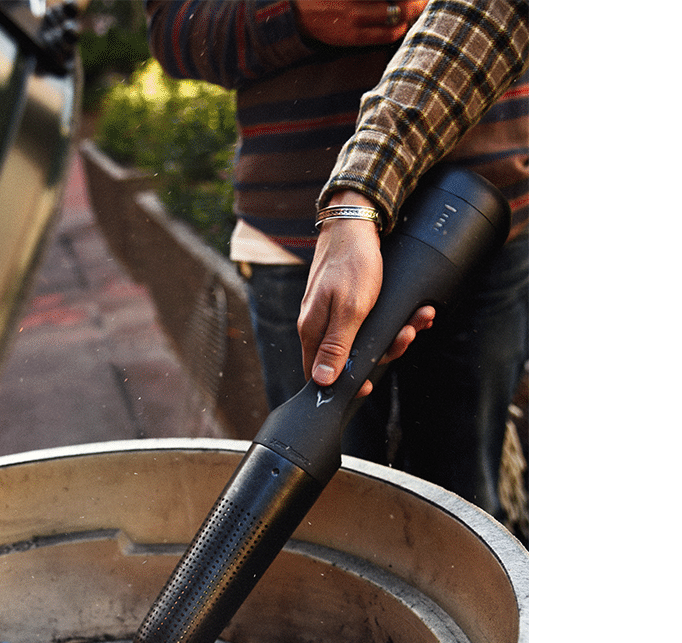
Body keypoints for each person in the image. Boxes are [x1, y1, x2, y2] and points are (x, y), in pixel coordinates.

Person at [145, 0, 529, 522]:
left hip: (477, 220)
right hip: (294, 229)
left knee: (465, 502)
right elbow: (173, 28)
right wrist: (290, 15)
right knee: (328, 515)